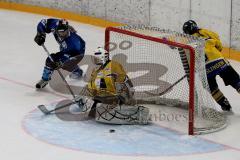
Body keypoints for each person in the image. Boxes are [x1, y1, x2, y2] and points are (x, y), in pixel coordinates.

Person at [182, 20, 240, 111]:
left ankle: (224, 104)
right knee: (236, 80)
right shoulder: (206, 35)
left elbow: (190, 63)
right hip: (219, 61)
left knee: (212, 88)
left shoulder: (188, 45)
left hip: (204, 69)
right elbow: (219, 45)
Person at [86, 47, 149, 124]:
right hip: (106, 96)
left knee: (104, 112)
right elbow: (91, 86)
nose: (94, 60)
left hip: (119, 95)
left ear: (102, 57)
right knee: (92, 115)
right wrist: (87, 96)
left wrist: (124, 97)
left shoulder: (113, 65)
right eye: (94, 58)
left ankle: (133, 110)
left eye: (96, 58)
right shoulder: (95, 70)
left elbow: (123, 80)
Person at [34, 18, 85, 89]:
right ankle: (45, 79)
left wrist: (60, 62)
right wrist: (41, 34)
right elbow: (43, 23)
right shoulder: (54, 24)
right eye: (60, 32)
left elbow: (73, 56)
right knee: (52, 61)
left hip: (77, 52)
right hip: (65, 48)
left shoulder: (73, 42)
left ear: (68, 29)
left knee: (52, 60)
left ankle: (76, 71)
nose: (62, 34)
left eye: (64, 32)